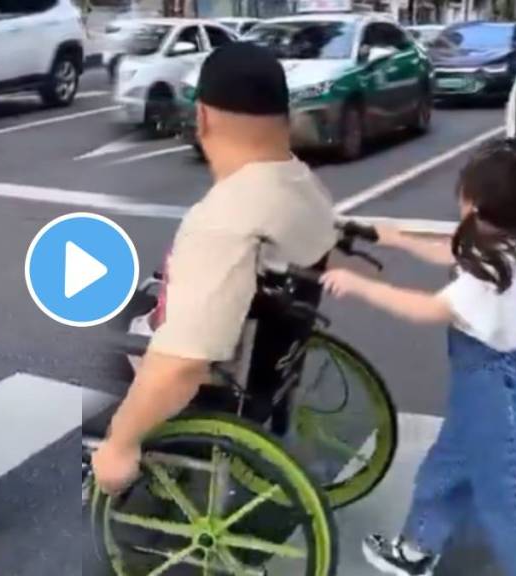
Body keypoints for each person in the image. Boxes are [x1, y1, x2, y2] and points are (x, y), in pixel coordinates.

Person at [320, 139, 516, 576]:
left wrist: (358, 284)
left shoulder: (488, 278)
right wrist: (392, 237)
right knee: (445, 472)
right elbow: (453, 251)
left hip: (502, 413)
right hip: (481, 402)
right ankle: (417, 547)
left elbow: (428, 309)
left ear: (475, 206)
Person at [91, 42, 337, 494]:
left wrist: (119, 445)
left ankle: (158, 450)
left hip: (222, 354)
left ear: (203, 117)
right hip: (276, 339)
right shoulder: (305, 184)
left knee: (119, 325)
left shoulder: (222, 223)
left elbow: (185, 362)